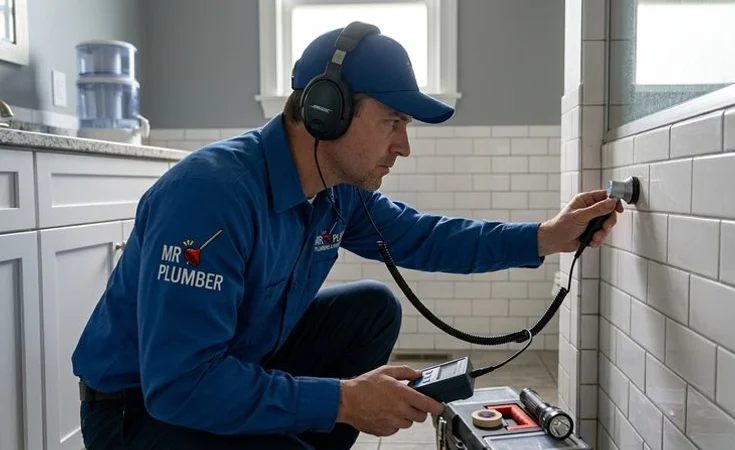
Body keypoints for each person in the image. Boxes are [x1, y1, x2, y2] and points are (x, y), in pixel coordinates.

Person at [71, 21, 622, 450]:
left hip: (226, 367)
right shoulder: (209, 198)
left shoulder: (337, 191)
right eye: (392, 122)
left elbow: (428, 237)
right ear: (325, 112)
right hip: (138, 410)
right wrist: (342, 401)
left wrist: (548, 237)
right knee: (316, 396)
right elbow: (180, 385)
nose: (403, 146)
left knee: (372, 309)